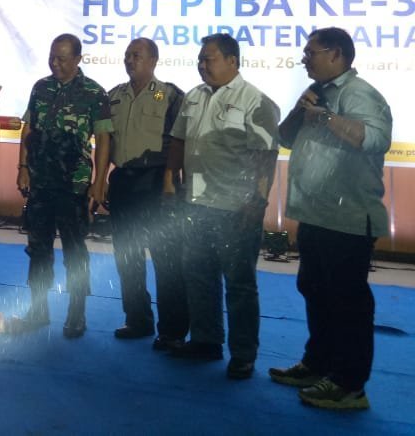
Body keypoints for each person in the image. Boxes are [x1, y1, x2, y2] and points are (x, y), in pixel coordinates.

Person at [270, 28, 392, 411]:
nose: (304, 59)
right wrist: (300, 110)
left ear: (336, 54)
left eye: (311, 52)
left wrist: (325, 117)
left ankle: (349, 385)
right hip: (316, 213)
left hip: (348, 216)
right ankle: (318, 364)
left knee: (347, 301)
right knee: (315, 289)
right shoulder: (316, 92)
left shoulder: (360, 94)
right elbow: (284, 138)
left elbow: (376, 139)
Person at [166, 33, 279, 380]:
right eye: (200, 59)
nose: (202, 64)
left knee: (239, 284)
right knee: (198, 275)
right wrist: (170, 181)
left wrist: (257, 202)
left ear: (232, 60)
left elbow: (265, 157)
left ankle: (243, 354)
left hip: (236, 207)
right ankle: (206, 340)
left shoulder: (255, 100)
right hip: (195, 202)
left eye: (209, 58)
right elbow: (178, 140)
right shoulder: (194, 96)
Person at [15, 34, 112, 339]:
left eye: (62, 58)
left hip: (74, 184)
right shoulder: (41, 87)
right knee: (38, 248)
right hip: (41, 180)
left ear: (78, 59)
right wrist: (22, 168)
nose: (55, 63)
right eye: (52, 57)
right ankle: (38, 310)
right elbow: (28, 129)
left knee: (74, 250)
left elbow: (104, 139)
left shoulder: (94, 93)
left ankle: (76, 313)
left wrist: (99, 182)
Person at [106, 38, 188, 350]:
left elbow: (181, 143)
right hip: (123, 181)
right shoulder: (114, 96)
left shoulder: (171, 96)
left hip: (158, 183)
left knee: (166, 258)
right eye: (127, 55)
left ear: (153, 60)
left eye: (136, 55)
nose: (130, 60)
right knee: (127, 255)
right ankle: (137, 319)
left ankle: (172, 330)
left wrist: (174, 185)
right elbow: (105, 141)